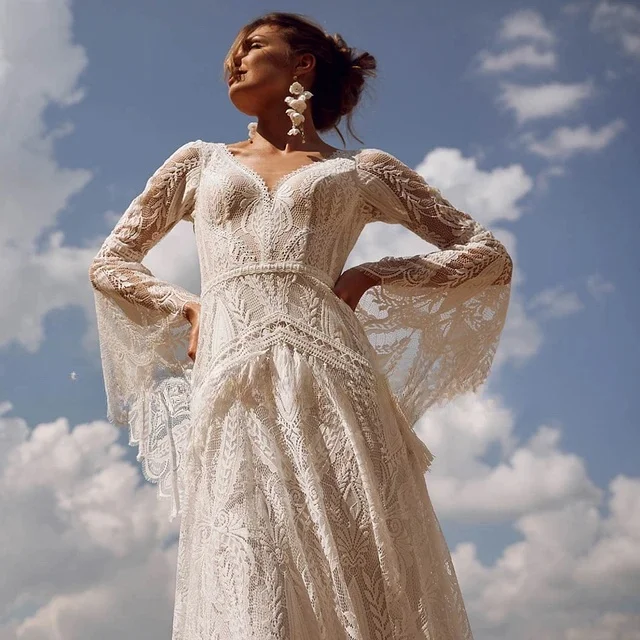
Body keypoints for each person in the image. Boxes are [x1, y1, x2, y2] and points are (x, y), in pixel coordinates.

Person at [89, 11, 513, 640]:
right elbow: (110, 261)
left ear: (303, 64)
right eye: (232, 49)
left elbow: (486, 253)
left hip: (335, 377)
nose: (233, 59)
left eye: (254, 46)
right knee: (252, 568)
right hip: (234, 372)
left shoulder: (360, 170)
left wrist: (377, 272)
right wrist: (188, 305)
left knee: (357, 563)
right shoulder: (198, 162)